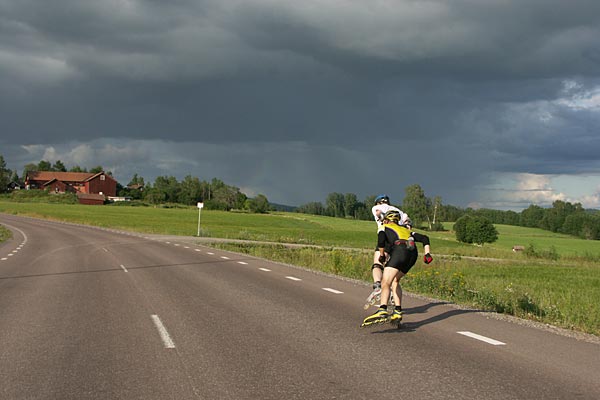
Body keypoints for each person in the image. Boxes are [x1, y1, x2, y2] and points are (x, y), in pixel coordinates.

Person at [361, 210, 433, 327]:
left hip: (400, 251)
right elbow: (425, 238)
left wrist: (382, 254)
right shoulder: (406, 230)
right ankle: (398, 311)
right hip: (412, 254)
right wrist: (427, 254)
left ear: (386, 219)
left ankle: (382, 309)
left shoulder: (384, 226)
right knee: (395, 281)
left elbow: (381, 240)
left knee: (385, 282)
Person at [369, 195, 408, 298]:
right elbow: (408, 223)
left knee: (377, 264)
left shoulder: (376, 208)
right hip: (399, 243)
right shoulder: (399, 211)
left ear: (378, 202)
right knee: (391, 272)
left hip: (386, 237)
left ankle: (378, 286)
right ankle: (392, 297)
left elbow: (378, 214)